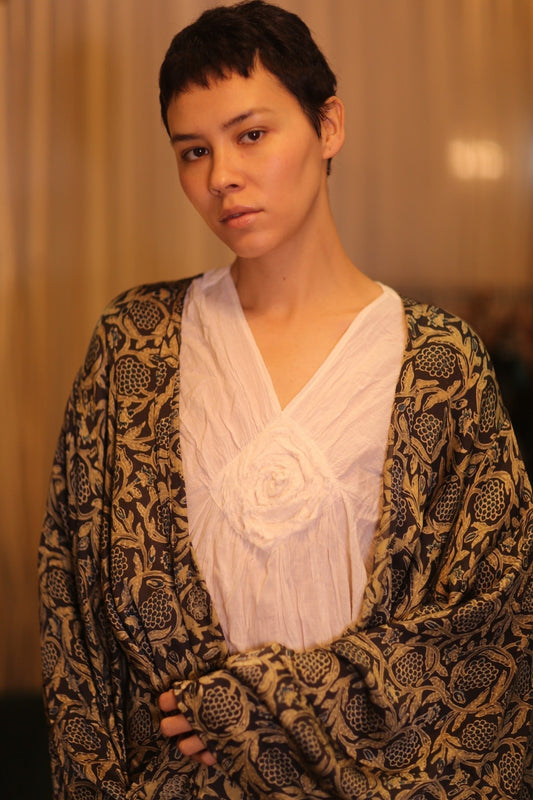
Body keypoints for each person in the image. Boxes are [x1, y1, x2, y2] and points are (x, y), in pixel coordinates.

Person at [38, 2, 533, 798]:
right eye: (193, 151)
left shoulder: (438, 366)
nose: (220, 177)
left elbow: (490, 626)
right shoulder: (134, 346)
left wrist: (257, 704)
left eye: (251, 135)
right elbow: (75, 618)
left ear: (327, 126)